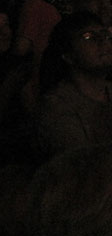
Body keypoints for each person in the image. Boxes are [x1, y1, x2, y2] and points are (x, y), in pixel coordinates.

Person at [36, 12, 112, 158]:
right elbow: (80, 164)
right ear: (68, 55)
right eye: (88, 37)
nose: (103, 41)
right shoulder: (57, 106)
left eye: (105, 35)